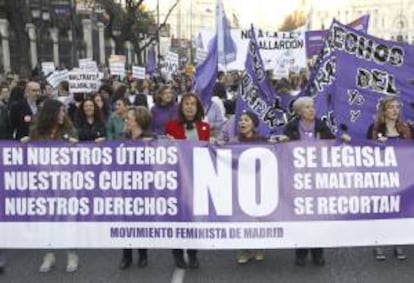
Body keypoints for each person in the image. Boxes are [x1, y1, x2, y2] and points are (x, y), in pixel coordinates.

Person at [26, 99, 79, 272]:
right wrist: (22, 146)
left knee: (67, 218)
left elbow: (79, 153)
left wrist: (74, 146)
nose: (63, 115)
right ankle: (49, 255)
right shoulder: (35, 132)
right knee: (45, 219)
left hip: (65, 181)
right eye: (61, 111)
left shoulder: (69, 129)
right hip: (43, 182)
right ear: (51, 113)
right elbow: (29, 157)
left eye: (64, 111)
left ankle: (72, 254)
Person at [282, 96, 334, 266]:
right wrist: (283, 142)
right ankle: (301, 252)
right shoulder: (290, 127)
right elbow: (283, 151)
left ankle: (318, 252)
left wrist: (343, 141)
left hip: (318, 177)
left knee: (317, 217)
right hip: (298, 178)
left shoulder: (321, 125)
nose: (312, 110)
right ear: (299, 111)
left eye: (312, 107)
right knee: (300, 216)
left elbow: (333, 143)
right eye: (307, 107)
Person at [165, 93, 210, 269]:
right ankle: (177, 253)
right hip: (177, 178)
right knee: (176, 218)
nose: (190, 107)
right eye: (186, 104)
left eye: (193, 104)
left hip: (197, 179)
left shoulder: (205, 127)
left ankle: (192, 254)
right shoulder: (171, 126)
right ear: (181, 107)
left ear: (198, 107)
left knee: (193, 218)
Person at [367, 96, 412, 260]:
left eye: (397, 107)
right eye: (391, 107)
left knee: (399, 211)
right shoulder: (375, 128)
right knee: (382, 211)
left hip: (403, 177)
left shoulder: (406, 128)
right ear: (384, 111)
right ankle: (378, 244)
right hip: (382, 177)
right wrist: (378, 146)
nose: (395, 110)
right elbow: (365, 152)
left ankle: (397, 243)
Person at [118, 106, 153, 270]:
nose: (126, 121)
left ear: (137, 121)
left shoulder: (151, 139)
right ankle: (126, 255)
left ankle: (143, 254)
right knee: (126, 221)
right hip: (125, 185)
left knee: (141, 221)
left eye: (128, 118)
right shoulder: (122, 137)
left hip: (143, 186)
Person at [231, 111, 267, 264]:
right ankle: (243, 250)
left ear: (253, 124)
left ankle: (259, 247)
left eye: (246, 120)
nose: (242, 122)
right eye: (240, 120)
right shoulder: (232, 141)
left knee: (258, 217)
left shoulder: (262, 141)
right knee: (240, 217)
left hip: (258, 184)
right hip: (239, 184)